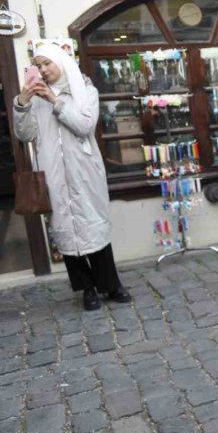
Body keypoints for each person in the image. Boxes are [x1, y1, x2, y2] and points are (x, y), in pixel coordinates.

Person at [13, 44, 131, 311]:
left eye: (47, 64)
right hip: (53, 174)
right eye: (38, 65)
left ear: (62, 63)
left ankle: (111, 285)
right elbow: (25, 135)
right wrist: (22, 102)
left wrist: (55, 101)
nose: (43, 70)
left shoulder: (85, 91)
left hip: (84, 172)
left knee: (93, 226)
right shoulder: (34, 98)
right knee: (65, 232)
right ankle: (86, 289)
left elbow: (84, 125)